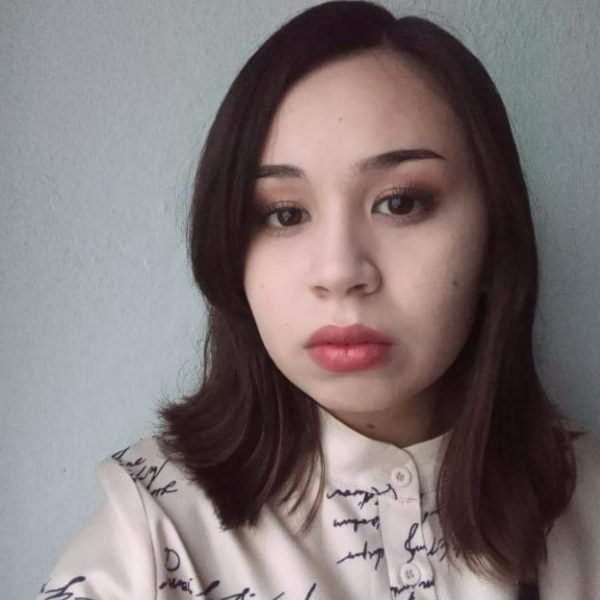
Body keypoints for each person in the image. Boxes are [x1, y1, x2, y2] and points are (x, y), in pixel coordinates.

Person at [35, 2, 600, 599]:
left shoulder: (586, 501)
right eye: (284, 214)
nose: (339, 272)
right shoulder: (149, 536)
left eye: (401, 202)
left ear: (495, 234)